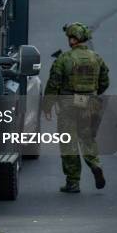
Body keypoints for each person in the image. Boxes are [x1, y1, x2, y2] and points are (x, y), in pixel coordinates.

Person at [43, 22, 109, 193]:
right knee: (87, 137)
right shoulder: (97, 58)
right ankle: (95, 164)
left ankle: (73, 182)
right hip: (90, 102)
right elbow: (104, 82)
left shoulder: (64, 59)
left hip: (69, 104)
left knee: (69, 142)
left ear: (73, 39)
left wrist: (48, 105)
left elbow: (53, 84)